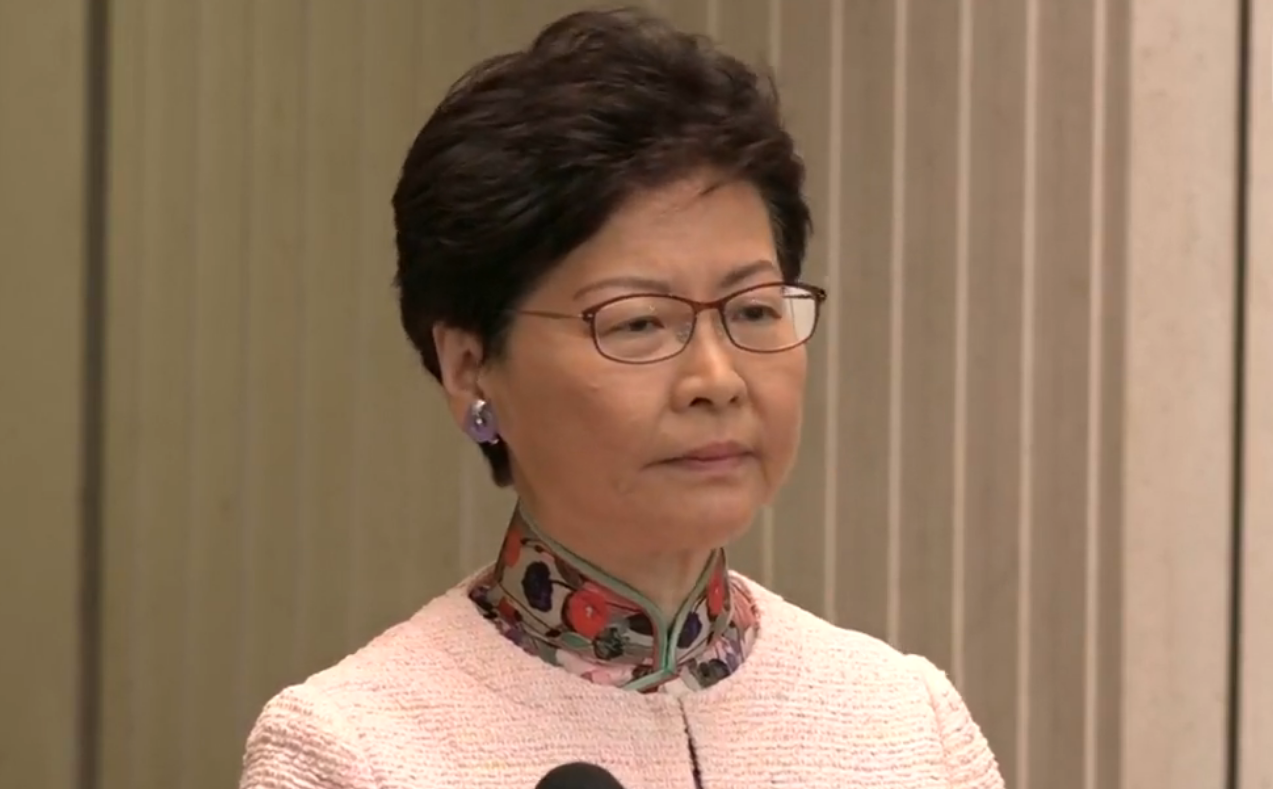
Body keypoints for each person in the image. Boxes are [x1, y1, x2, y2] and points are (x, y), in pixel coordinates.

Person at [239, 8, 1003, 789]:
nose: (717, 378)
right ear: (470, 366)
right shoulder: (354, 748)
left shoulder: (908, 726)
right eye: (638, 321)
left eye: (752, 310)